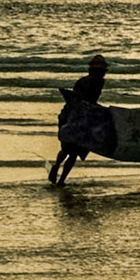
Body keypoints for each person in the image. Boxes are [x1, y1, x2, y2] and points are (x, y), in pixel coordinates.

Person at [50, 54, 109, 186]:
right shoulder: (98, 82)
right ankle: (62, 179)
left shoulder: (82, 80)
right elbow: (90, 101)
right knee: (74, 153)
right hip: (82, 120)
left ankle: (56, 166)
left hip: (69, 115)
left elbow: (76, 98)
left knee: (66, 148)